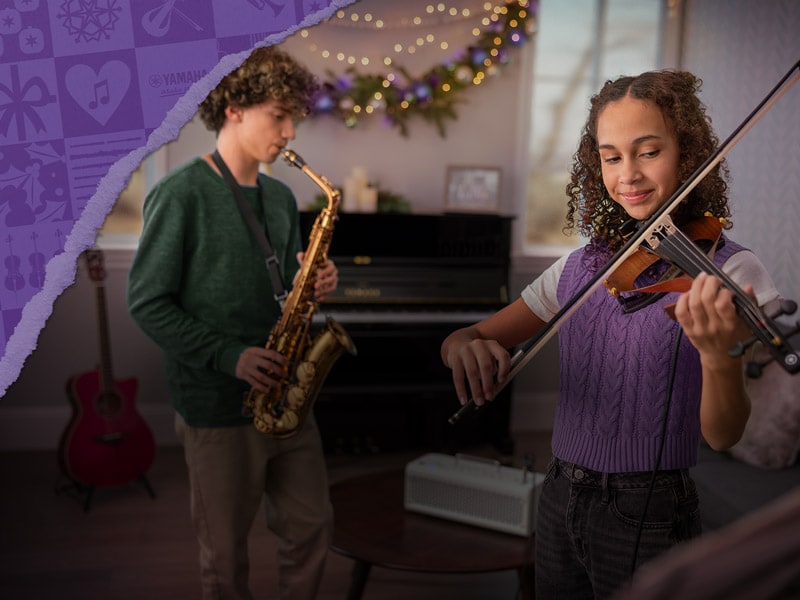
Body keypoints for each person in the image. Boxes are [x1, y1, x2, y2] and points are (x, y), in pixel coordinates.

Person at [441, 70, 783, 599]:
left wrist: (719, 358)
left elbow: (723, 437)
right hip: (558, 493)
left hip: (651, 511)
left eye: (648, 152)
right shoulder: (580, 268)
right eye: (611, 157)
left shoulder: (729, 272)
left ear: (688, 153)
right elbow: (464, 337)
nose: (629, 175)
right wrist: (467, 348)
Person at [127, 46, 338, 600]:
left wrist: (312, 283)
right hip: (218, 406)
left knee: (312, 528)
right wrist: (231, 356)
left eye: (294, 117)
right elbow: (147, 303)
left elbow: (282, 288)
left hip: (288, 394)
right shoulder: (179, 193)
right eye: (279, 116)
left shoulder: (281, 197)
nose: (290, 133)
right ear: (234, 108)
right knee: (224, 554)